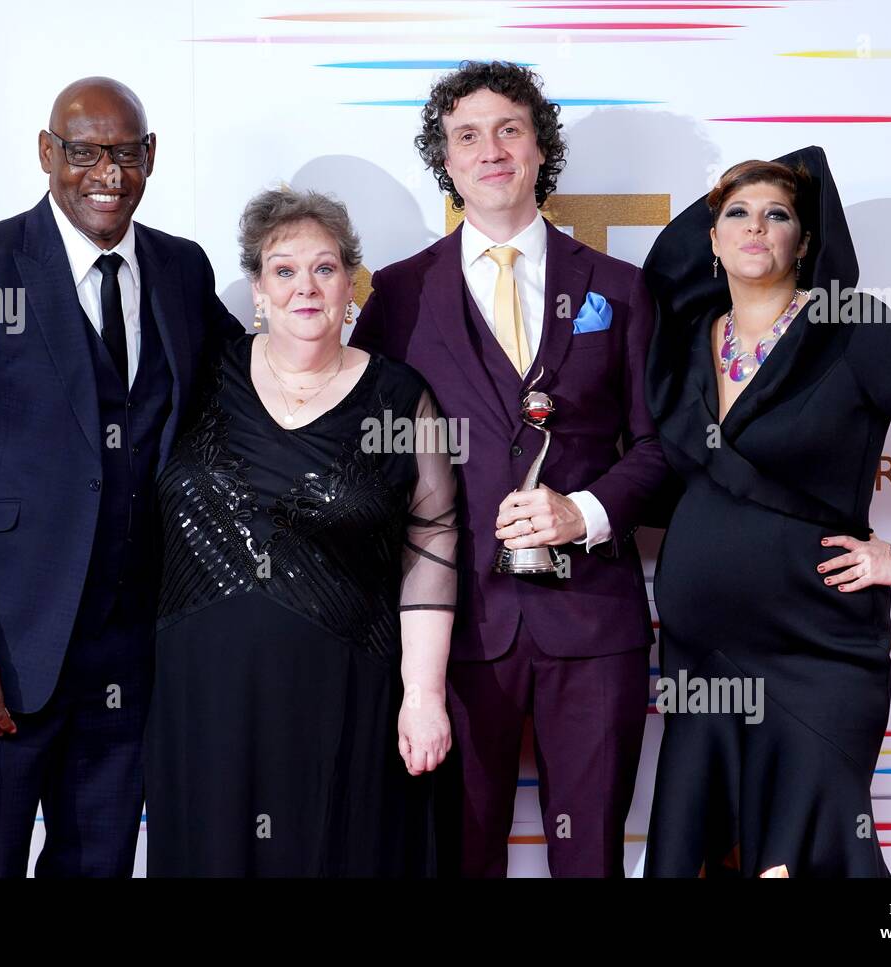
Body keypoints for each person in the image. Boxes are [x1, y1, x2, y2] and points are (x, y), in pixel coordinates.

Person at [0, 76, 242, 877]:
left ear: (150, 158)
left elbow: (253, 386)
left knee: (100, 867)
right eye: (83, 151)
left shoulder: (182, 270)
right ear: (48, 154)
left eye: (125, 153)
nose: (105, 172)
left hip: (128, 659)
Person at [641, 146, 891, 877]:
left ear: (804, 241)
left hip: (820, 648)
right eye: (737, 214)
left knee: (805, 857)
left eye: (778, 215)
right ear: (709, 240)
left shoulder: (853, 327)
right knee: (698, 851)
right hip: (702, 650)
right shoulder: (682, 343)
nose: (756, 227)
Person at [349, 61, 667, 877]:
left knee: (590, 857)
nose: (489, 149)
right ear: (446, 163)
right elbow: (372, 459)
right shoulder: (398, 295)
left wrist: (586, 512)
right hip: (454, 632)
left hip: (596, 627)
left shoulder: (624, 290)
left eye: (509, 129)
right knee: (457, 855)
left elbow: (663, 448)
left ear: (538, 148)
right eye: (466, 136)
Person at [144, 187, 457, 877]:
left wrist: (424, 694)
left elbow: (432, 538)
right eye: (284, 269)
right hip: (204, 696)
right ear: (257, 287)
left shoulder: (400, 397)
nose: (305, 286)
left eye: (325, 267)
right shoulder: (196, 376)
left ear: (352, 283)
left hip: (345, 695)